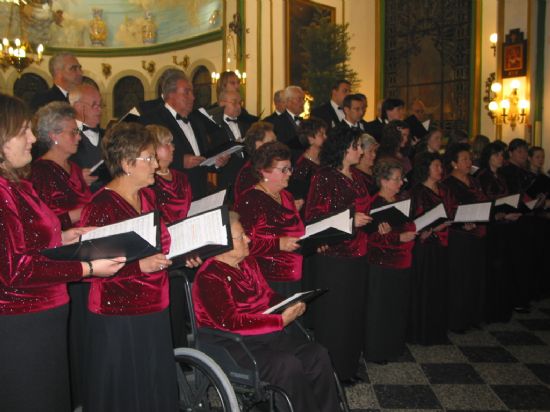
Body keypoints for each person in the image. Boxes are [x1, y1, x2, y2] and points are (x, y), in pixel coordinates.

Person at [0, 93, 124, 412]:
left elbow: (29, 243)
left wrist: (66, 237)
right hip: (22, 324)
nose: (31, 138)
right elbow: (17, 269)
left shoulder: (19, 184)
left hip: (47, 316)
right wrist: (88, 270)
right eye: (22, 131)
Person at [192, 211, 340, 412]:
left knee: (317, 354)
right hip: (232, 344)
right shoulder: (210, 276)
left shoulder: (248, 262)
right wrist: (279, 321)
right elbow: (230, 322)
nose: (249, 238)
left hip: (265, 337)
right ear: (221, 242)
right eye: (241, 236)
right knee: (287, 365)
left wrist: (291, 303)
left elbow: (268, 296)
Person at [80, 122, 178, 411]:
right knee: (125, 391)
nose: (156, 164)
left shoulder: (147, 196)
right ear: (126, 163)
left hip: (155, 305)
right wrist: (139, 268)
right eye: (149, 158)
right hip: (118, 313)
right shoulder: (100, 207)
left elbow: (164, 240)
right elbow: (90, 268)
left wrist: (187, 252)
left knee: (154, 385)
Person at [305, 128, 373, 382]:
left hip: (359, 251)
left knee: (354, 314)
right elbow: (314, 217)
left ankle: (349, 366)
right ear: (343, 148)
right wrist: (350, 219)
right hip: (335, 256)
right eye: (356, 146)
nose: (361, 151)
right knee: (335, 316)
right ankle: (332, 371)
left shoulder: (356, 175)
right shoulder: (324, 176)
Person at [140, 70, 229, 198]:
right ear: (171, 94)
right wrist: (180, 161)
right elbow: (146, 157)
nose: (193, 97)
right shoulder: (152, 119)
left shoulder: (196, 120)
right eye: (186, 92)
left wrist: (216, 162)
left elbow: (205, 155)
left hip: (199, 192)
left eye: (192, 92)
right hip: (170, 195)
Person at [234, 142, 305, 296]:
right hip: (266, 279)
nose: (290, 173)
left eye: (290, 168)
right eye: (284, 169)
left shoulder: (287, 196)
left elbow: (299, 229)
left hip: (293, 272)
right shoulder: (250, 200)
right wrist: (277, 243)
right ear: (264, 171)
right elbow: (242, 244)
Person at [365, 158, 416, 362]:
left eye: (401, 178)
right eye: (396, 179)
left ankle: (394, 347)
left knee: (397, 308)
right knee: (381, 311)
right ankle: (379, 350)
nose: (401, 182)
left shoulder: (398, 201)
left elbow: (408, 226)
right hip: (382, 265)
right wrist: (397, 237)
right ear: (384, 181)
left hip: (401, 262)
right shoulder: (375, 204)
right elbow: (371, 237)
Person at [442, 143, 488, 332]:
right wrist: (463, 222)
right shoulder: (448, 184)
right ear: (454, 163)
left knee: (475, 276)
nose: (470, 162)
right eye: (465, 159)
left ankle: (472, 315)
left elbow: (484, 201)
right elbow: (448, 210)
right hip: (459, 236)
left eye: (470, 159)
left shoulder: (474, 181)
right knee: (460, 278)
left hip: (477, 233)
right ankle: (457, 319)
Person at [408, 152, 450, 345]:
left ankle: (436, 329)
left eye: (441, 166)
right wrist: (431, 228)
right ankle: (422, 331)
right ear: (426, 168)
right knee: (424, 288)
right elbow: (416, 222)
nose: (440, 170)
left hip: (441, 244)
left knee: (438, 288)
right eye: (436, 166)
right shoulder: (418, 192)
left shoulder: (443, 189)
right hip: (424, 247)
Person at [477, 142, 521, 322]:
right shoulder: (482, 176)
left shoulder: (502, 176)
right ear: (488, 157)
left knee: (504, 266)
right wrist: (498, 214)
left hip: (504, 225)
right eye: (496, 155)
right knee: (492, 267)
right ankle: (490, 310)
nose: (500, 159)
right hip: (491, 226)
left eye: (502, 155)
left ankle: (502, 308)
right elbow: (483, 201)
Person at [31, 102, 92, 230]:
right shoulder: (40, 172)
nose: (79, 137)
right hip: (64, 244)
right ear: (54, 136)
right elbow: (42, 224)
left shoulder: (74, 167)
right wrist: (84, 212)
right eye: (73, 132)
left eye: (78, 131)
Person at [69, 83, 109, 192]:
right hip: (81, 201)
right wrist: (75, 179)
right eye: (94, 105)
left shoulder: (109, 135)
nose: (100, 110)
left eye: (101, 105)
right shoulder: (64, 137)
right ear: (78, 107)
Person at [233, 121, 277, 203]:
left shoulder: (267, 165)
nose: (277, 146)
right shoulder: (248, 172)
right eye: (272, 142)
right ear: (258, 145)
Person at [289, 117, 327, 205]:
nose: (326, 137)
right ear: (310, 139)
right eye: (321, 134)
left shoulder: (325, 160)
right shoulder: (302, 166)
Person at [268, 85, 306, 154]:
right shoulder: (277, 122)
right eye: (299, 99)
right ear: (288, 101)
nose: (303, 102)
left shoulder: (305, 122)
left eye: (303, 99)